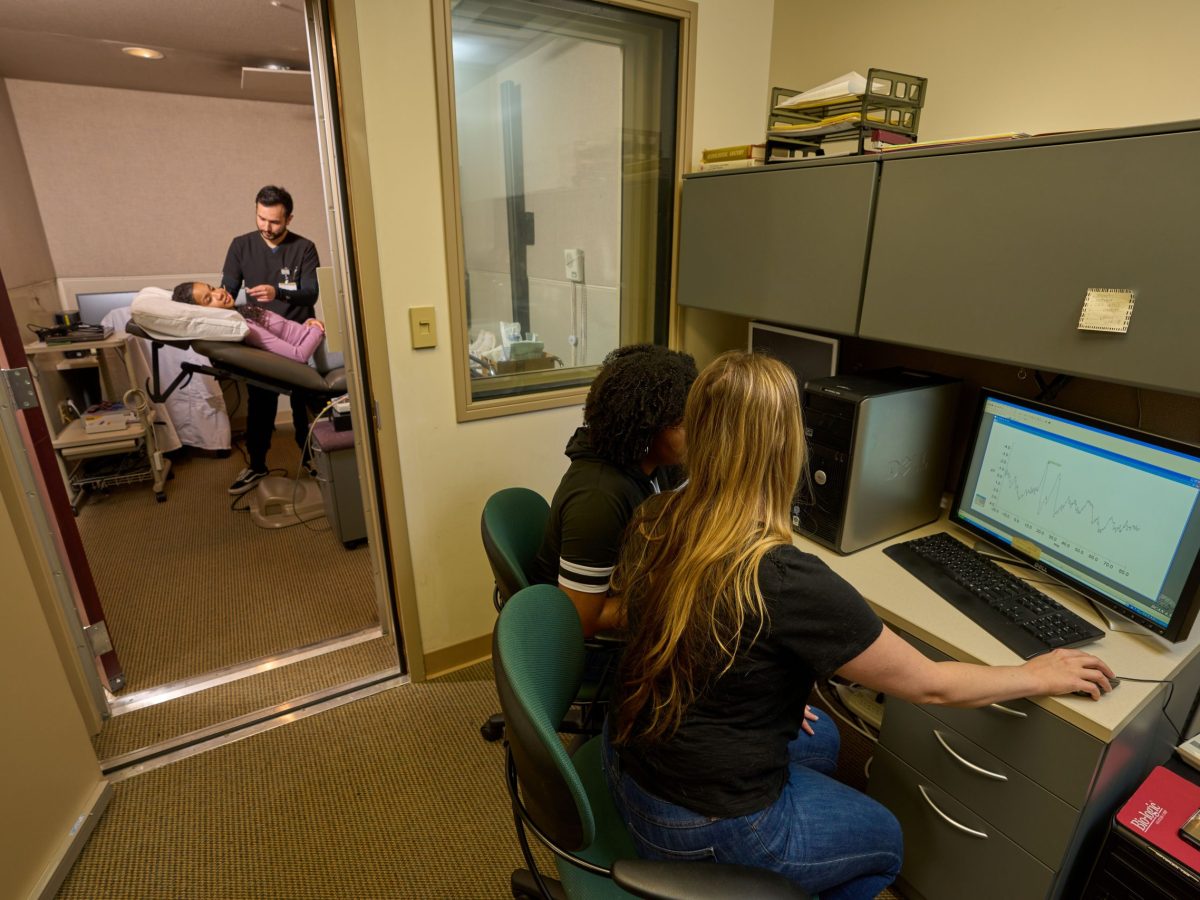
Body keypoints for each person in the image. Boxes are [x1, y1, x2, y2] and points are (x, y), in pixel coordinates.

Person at [602, 351, 1116, 900]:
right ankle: (745, 879)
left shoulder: (657, 517)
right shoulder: (784, 577)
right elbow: (930, 685)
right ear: (787, 445)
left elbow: (676, 627)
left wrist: (761, 693)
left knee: (823, 738)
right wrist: (1035, 674)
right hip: (698, 827)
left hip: (629, 762)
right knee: (886, 842)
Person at [530, 344, 698, 638]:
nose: (695, 435)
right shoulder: (598, 500)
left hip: (631, 585)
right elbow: (583, 619)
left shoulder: (653, 463)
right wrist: (672, 600)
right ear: (647, 428)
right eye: (684, 425)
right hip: (587, 649)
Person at [220, 184, 322, 495]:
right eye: (261, 218)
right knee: (260, 403)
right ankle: (257, 464)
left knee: (305, 403)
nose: (266, 226)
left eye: (275, 221)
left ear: (289, 218)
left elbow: (311, 292)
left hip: (298, 334)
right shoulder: (241, 246)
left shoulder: (304, 248)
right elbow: (227, 289)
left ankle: (313, 460)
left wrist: (277, 292)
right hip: (262, 338)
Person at [170, 281, 326, 364]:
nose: (218, 293)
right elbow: (299, 355)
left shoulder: (245, 310)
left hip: (318, 342)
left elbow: (291, 331)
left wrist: (309, 322)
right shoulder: (248, 328)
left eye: (212, 288)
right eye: (209, 299)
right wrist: (317, 330)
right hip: (318, 353)